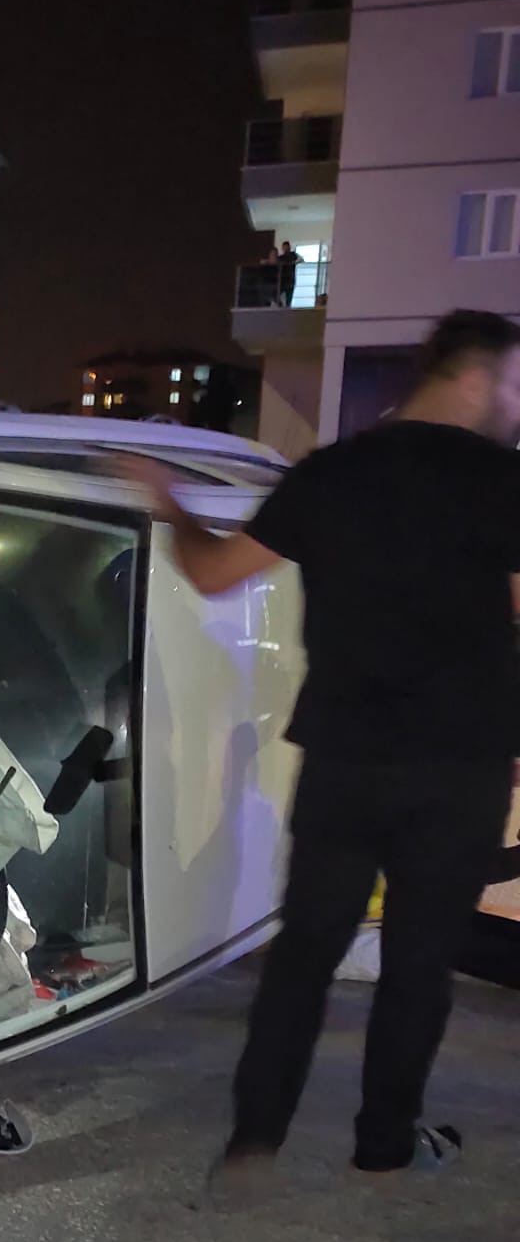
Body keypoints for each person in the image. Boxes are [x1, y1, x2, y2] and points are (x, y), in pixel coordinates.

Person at [122, 309, 520, 1194]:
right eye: (514, 383)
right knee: (419, 967)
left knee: (305, 954)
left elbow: (215, 572)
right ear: (476, 375)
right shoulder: (506, 480)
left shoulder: (332, 474)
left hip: (344, 761)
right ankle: (384, 1144)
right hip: (459, 770)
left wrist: (166, 498)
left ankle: (254, 1141)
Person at [277, 239, 299, 308]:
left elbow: (301, 259)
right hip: (283, 281)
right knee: (278, 296)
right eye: (284, 247)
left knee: (288, 300)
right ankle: (281, 307)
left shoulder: (293, 255)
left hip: (290, 281)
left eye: (287, 247)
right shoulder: (281, 258)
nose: (286, 249)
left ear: (289, 247)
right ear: (282, 248)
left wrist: (294, 262)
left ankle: (286, 309)